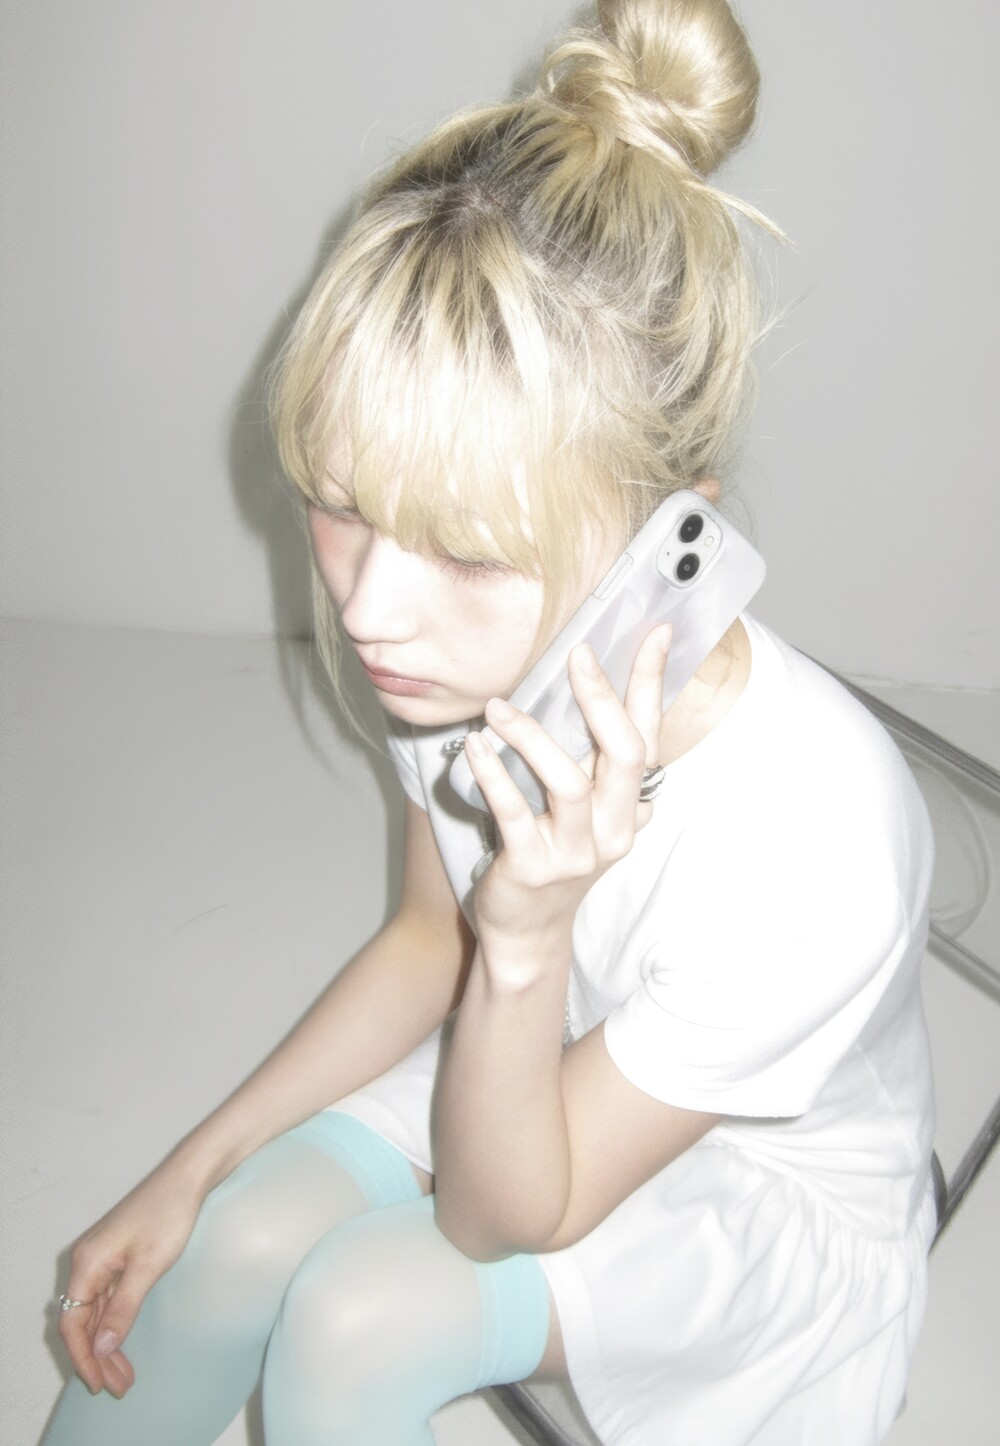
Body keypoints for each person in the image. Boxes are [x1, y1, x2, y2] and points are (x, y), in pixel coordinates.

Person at [41, 2, 937, 1443]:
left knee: (356, 1321)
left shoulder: (817, 838)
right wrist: (188, 1170)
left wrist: (526, 941)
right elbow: (424, 941)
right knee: (232, 1243)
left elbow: (498, 1210)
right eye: (340, 504)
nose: (371, 611)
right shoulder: (455, 657)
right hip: (551, 1043)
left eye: (464, 549)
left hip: (772, 1185)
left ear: (667, 537)